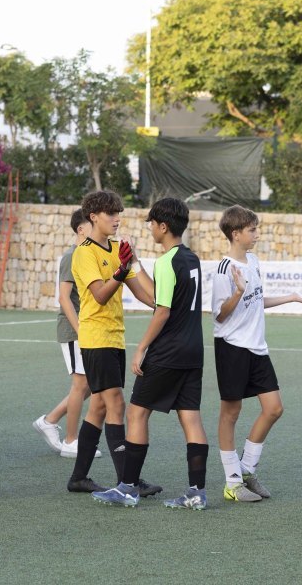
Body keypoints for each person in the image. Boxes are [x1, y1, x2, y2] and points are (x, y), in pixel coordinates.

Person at [91, 198, 209, 509]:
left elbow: (162, 310)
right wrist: (134, 264)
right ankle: (197, 492)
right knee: (191, 418)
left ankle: (127, 488)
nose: (151, 229)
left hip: (168, 351)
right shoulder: (191, 259)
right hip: (193, 351)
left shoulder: (167, 262)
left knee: (137, 413)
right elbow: (161, 293)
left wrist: (141, 348)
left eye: (153, 224)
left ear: (163, 226)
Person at [213, 205, 302, 503]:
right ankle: (232, 483)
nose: (256, 234)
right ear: (236, 234)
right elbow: (219, 315)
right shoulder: (223, 269)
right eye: (252, 230)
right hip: (232, 347)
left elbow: (257, 300)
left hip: (257, 347)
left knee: (274, 409)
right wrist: (237, 292)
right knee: (230, 413)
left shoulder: (254, 261)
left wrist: (291, 297)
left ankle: (246, 470)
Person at [66, 190, 160, 497]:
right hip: (95, 338)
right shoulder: (84, 253)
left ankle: (78, 477)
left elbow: (144, 294)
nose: (117, 219)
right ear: (94, 217)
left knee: (97, 408)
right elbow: (100, 295)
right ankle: (128, 482)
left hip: (115, 337)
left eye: (119, 213)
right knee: (116, 404)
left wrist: (161, 303)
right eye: (111, 213)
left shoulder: (119, 248)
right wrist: (121, 269)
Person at [32, 208, 101, 459]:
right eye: (93, 225)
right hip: (74, 330)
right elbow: (63, 297)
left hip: (88, 328)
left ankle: (49, 421)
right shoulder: (72, 256)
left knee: (91, 384)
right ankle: (71, 441)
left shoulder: (88, 255)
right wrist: (80, 330)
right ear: (81, 230)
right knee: (81, 384)